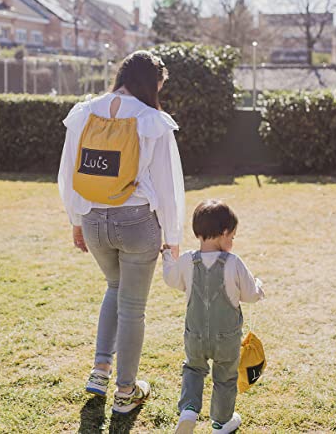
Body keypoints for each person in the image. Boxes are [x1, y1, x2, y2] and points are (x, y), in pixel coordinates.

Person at [58, 50, 185, 414]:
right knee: (133, 307)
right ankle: (126, 391)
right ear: (151, 81)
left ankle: (100, 371)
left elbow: (68, 172)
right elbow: (168, 185)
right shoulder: (152, 121)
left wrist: (76, 219)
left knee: (114, 289)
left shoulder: (84, 113)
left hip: (94, 220)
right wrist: (172, 237)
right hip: (137, 223)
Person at [162, 199, 264, 433]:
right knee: (225, 378)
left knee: (193, 369)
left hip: (195, 335)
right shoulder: (233, 262)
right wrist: (258, 286)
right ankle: (221, 421)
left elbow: (171, 279)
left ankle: (188, 409)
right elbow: (249, 294)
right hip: (226, 338)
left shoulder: (188, 260)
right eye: (233, 237)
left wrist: (168, 257)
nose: (232, 241)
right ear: (225, 232)